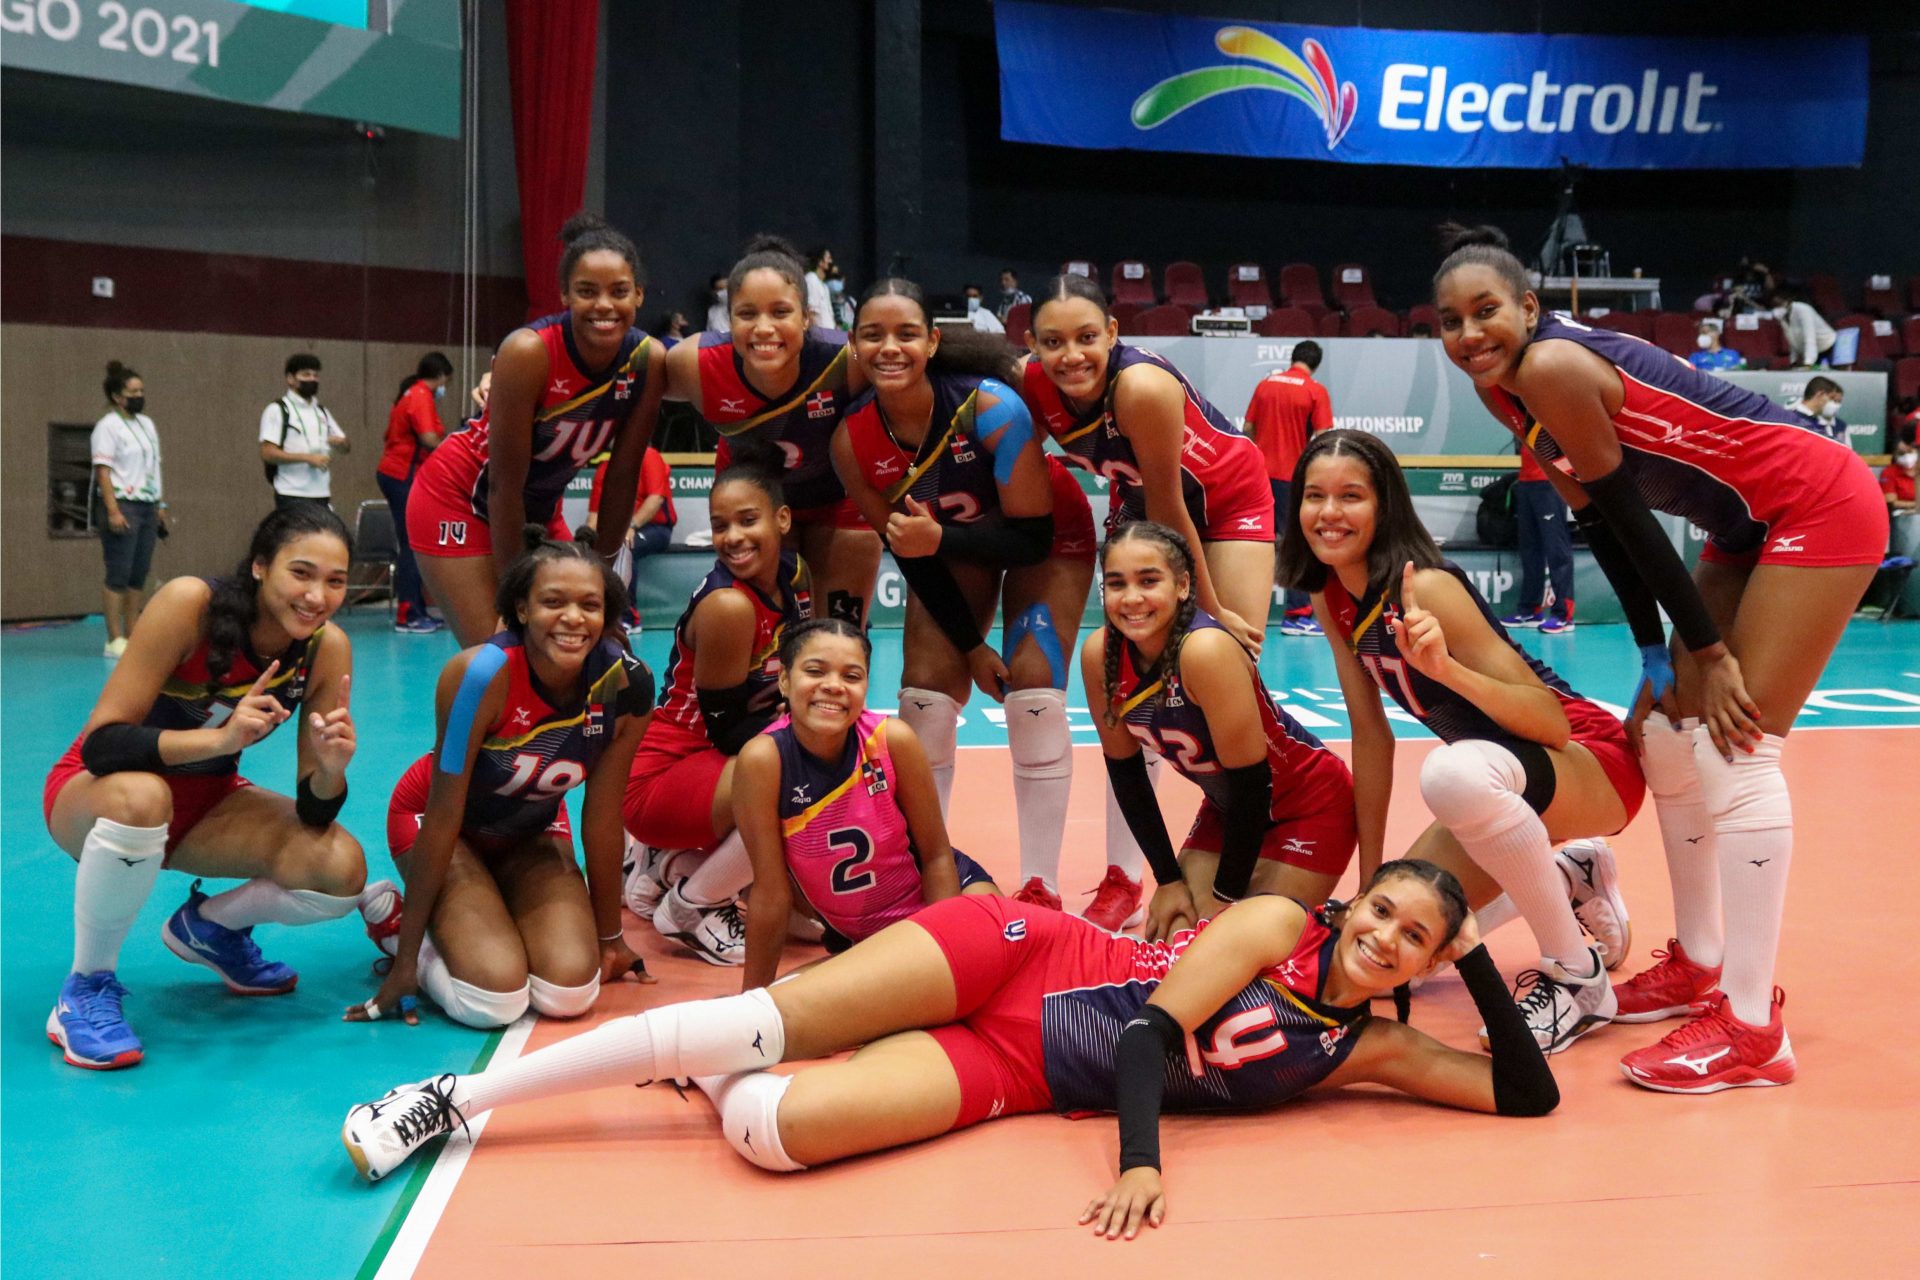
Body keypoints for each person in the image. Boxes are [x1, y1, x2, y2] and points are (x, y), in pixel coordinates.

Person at [343, 858, 1560, 1239]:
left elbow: (1526, 1098)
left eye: (1417, 937)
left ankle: (704, 1065)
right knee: (766, 1020)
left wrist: (1476, 963)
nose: (1388, 939)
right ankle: (452, 1095)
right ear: (1354, 904)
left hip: (1025, 1074)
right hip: (1020, 956)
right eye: (1385, 911)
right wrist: (1143, 1163)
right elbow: (1150, 1032)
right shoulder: (1280, 924)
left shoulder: (1369, 1047)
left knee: (779, 1131)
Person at [1434, 224, 1887, 1090]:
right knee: (1667, 735)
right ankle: (1701, 965)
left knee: (1737, 743)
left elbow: (1635, 522)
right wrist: (1655, 652)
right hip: (1743, 525)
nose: (1469, 334)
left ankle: (1753, 1028)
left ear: (1528, 306)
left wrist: (1709, 653)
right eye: (1450, 322)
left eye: (1485, 311)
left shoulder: (1551, 367)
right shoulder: (1506, 392)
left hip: (1817, 500)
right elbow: (1604, 524)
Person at [1282, 428, 1642, 1052]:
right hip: (1497, 783)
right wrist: (1372, 884)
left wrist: (1446, 670)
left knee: (1456, 774)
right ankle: (1569, 878)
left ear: (1385, 505)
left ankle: (1578, 979)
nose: (1329, 513)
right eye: (1315, 496)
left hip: (1589, 764)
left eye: (1351, 496)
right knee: (1398, 960)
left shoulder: (1428, 588)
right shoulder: (1330, 591)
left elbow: (1551, 723)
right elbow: (1370, 736)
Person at [832, 279, 1142, 923]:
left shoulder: (989, 407)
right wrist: (972, 648)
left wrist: (940, 538)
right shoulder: (852, 442)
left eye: (906, 334)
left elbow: (1030, 538)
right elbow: (913, 558)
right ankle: (925, 876)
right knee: (923, 700)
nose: (890, 348)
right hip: (951, 550)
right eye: (873, 335)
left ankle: (1040, 884)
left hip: (1045, 535)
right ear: (854, 347)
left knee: (1033, 691)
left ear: (932, 342)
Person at [44, 505, 389, 1069]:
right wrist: (219, 741)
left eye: (335, 581)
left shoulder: (326, 648)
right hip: (98, 794)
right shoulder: (190, 605)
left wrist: (331, 769)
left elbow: (314, 811)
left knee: (340, 868)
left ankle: (211, 930)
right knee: (145, 798)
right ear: (260, 566)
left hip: (206, 805)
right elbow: (102, 745)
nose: (317, 596)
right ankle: (85, 988)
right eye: (301, 573)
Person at [352, 529, 654, 1029]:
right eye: (553, 602)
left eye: (590, 605)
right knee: (493, 1001)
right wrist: (406, 961)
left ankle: (490, 914)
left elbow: (602, 819)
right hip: (440, 823)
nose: (573, 618)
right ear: (521, 609)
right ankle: (400, 928)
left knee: (571, 993)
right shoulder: (479, 675)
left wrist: (610, 938)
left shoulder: (626, 685)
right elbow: (444, 814)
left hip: (532, 829)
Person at [1085, 522, 1356, 940]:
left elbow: (1252, 785)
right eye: (1117, 583)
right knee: (1171, 943)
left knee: (1234, 949)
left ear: (1182, 586)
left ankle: (1327, 931)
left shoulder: (1205, 650)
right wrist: (1168, 879)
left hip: (1309, 806)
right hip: (1229, 813)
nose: (1132, 598)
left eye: (1149, 580)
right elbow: (1127, 775)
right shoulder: (1099, 654)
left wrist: (1224, 897)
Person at [408, 214, 665, 646]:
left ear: (638, 294)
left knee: (592, 645)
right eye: (587, 291)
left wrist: (603, 581)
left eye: (619, 291)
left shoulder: (647, 361)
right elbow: (503, 486)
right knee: (504, 653)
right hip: (459, 498)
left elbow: (622, 476)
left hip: (538, 510)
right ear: (564, 294)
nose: (604, 305)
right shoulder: (529, 352)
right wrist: (516, 597)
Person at [732, 619, 999, 989]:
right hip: (862, 939)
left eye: (851, 676)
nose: (834, 685)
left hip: (943, 904)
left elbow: (937, 856)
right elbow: (771, 891)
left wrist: (944, 956)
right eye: (815, 671)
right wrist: (752, 1001)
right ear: (784, 680)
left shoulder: (892, 741)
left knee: (987, 955)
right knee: (787, 1006)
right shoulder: (764, 760)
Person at [1020, 275, 1274, 654]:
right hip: (1141, 499)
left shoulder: (1142, 388)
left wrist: (1211, 610)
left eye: (1086, 337)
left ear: (1111, 333)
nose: (1072, 356)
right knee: (1134, 652)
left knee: (1224, 651)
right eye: (1054, 342)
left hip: (1229, 496)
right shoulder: (1027, 384)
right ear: (1032, 343)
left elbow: (1167, 506)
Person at [623, 465, 813, 965]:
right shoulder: (729, 605)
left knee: (814, 922)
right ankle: (690, 906)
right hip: (664, 774)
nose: (732, 537)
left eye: (747, 520)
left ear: (782, 519)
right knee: (804, 767)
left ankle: (662, 866)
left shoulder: (795, 575)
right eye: (720, 525)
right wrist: (804, 730)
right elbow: (730, 733)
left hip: (709, 768)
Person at [664, 235, 878, 626]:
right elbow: (625, 381)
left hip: (841, 502)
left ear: (806, 317)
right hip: (754, 507)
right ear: (729, 320)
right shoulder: (693, 364)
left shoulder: (848, 361)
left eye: (780, 312)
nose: (764, 328)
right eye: (747, 314)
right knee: (766, 636)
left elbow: (927, 368)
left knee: (839, 637)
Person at [1241, 341, 1332, 636]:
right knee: (1295, 541)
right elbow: (1324, 438)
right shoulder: (1314, 390)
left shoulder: (1265, 384)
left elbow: (1247, 429)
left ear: (1293, 358)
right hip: (1290, 477)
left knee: (1256, 539)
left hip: (1257, 475)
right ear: (1315, 364)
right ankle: (1297, 615)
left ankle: (1242, 612)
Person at [92, 361, 168, 659]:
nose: (139, 396)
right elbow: (103, 471)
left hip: (147, 505)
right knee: (119, 573)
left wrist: (159, 503)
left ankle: (133, 632)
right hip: (122, 504)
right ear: (116, 396)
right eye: (132, 392)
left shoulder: (147, 424)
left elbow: (154, 466)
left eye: (141, 391)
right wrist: (113, 510)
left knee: (139, 572)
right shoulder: (107, 427)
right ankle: (114, 638)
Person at [378, 353, 453, 635]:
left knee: (413, 544)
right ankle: (408, 614)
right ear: (442, 376)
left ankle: (417, 609)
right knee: (412, 545)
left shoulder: (410, 393)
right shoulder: (420, 395)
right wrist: (457, 452)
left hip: (400, 474)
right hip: (402, 476)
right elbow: (429, 438)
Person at [1500, 445, 1577, 634]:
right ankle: (1530, 610)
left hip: (1550, 483)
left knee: (1557, 550)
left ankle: (1564, 615)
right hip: (1526, 481)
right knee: (1529, 549)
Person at [260, 354, 349, 514]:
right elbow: (268, 453)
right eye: (306, 374)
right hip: (291, 492)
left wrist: (341, 443)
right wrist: (307, 458)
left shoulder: (321, 411)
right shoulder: (278, 410)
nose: (312, 379)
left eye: (315, 375)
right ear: (290, 379)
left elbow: (346, 447)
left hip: (321, 492)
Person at [1768, 286, 1836, 368]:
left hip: (1827, 346)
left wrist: (1808, 363)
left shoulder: (1803, 310)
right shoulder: (1782, 317)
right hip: (1813, 351)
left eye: (1779, 305)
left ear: (1788, 302)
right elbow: (1792, 341)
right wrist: (1793, 361)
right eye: (1775, 306)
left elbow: (1810, 338)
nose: (1777, 309)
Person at [1788, 376, 1848, 444]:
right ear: (1820, 394)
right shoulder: (1791, 420)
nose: (1833, 405)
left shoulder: (1823, 423)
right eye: (1831, 398)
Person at [806, 247, 838, 331]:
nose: (831, 261)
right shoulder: (811, 279)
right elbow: (810, 312)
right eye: (828, 258)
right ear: (820, 262)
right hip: (820, 335)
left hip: (829, 334)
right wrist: (816, 335)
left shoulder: (824, 286)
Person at [1882, 438, 1917, 515]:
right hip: (1903, 515)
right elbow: (1891, 502)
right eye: (1901, 453)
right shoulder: (1889, 472)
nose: (1907, 457)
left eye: (1910, 452)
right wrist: (1916, 505)